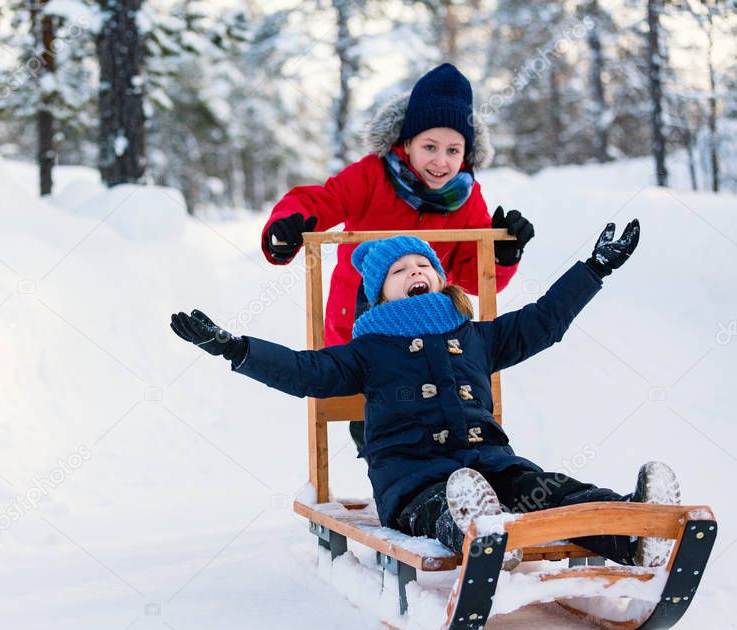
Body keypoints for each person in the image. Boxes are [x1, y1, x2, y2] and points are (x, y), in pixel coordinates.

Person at [171, 221, 681, 570]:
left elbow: (544, 322)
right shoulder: (366, 349)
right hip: (413, 482)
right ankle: (480, 539)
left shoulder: (475, 334)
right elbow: (306, 372)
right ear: (379, 293)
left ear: (439, 278)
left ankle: (633, 531)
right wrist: (236, 349)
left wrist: (594, 268)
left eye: (423, 265)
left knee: (550, 489)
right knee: (444, 505)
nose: (415, 271)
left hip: (494, 467)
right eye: (399, 270)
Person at [260, 63, 535, 451]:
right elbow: (321, 201)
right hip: (360, 326)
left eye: (453, 150)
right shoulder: (371, 175)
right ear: (405, 144)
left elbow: (474, 277)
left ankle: (458, 486)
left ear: (467, 153)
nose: (441, 161)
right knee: (376, 423)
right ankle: (400, 489)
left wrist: (503, 255)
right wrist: (286, 227)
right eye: (429, 147)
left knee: (441, 416)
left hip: (431, 336)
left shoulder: (465, 197)